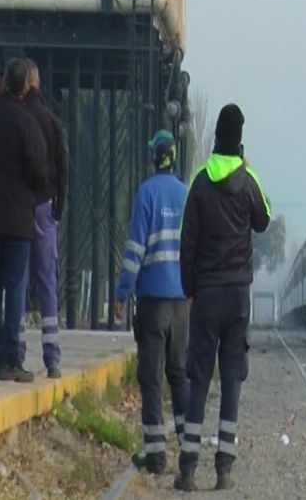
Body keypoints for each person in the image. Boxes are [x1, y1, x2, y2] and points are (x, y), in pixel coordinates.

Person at [176, 104, 269, 492]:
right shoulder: (248, 181)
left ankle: (188, 468)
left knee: (199, 377)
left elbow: (188, 241)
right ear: (240, 139)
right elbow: (263, 220)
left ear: (215, 136)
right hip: (238, 296)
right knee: (231, 378)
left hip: (208, 293)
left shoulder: (199, 181)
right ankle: (224, 468)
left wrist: (190, 290)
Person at [115, 130, 189, 475]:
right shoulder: (187, 195)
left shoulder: (146, 193)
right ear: (174, 157)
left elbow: (134, 252)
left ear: (152, 157)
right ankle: (188, 449)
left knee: (150, 376)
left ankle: (156, 455)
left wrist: (121, 292)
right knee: (178, 374)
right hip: (181, 304)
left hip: (152, 303)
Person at [0, 58, 47, 383]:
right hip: (17, 222)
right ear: (26, 87)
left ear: (4, 83)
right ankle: (10, 358)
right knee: (15, 288)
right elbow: (40, 172)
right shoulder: (26, 122)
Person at [17, 59, 67, 378]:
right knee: (47, 280)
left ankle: (16, 350)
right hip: (45, 208)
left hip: (19, 208)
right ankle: (52, 358)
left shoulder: (16, 117)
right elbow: (63, 165)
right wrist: (59, 206)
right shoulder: (50, 120)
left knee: (17, 280)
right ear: (38, 83)